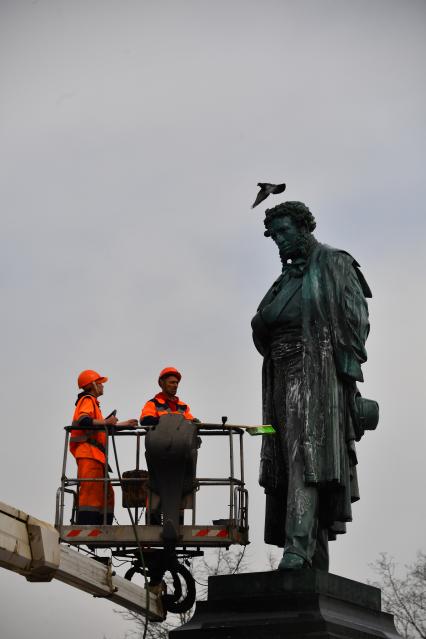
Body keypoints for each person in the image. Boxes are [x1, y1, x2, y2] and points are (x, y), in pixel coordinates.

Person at [251, 201, 377, 570]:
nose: (279, 241)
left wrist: (343, 377)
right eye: (274, 236)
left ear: (304, 228)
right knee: (286, 463)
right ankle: (312, 555)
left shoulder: (335, 263)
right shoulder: (284, 279)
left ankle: (297, 548)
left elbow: (356, 321)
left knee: (304, 458)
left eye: (284, 232)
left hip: (315, 372)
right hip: (279, 374)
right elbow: (265, 322)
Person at [70, 369, 138, 525]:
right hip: (88, 453)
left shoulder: (93, 403)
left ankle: (103, 525)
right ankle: (87, 526)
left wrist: (123, 425)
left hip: (96, 455)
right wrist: (107, 422)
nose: (102, 386)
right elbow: (83, 421)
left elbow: (99, 428)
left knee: (107, 493)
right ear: (93, 385)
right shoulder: (87, 400)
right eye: (100, 383)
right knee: (91, 493)